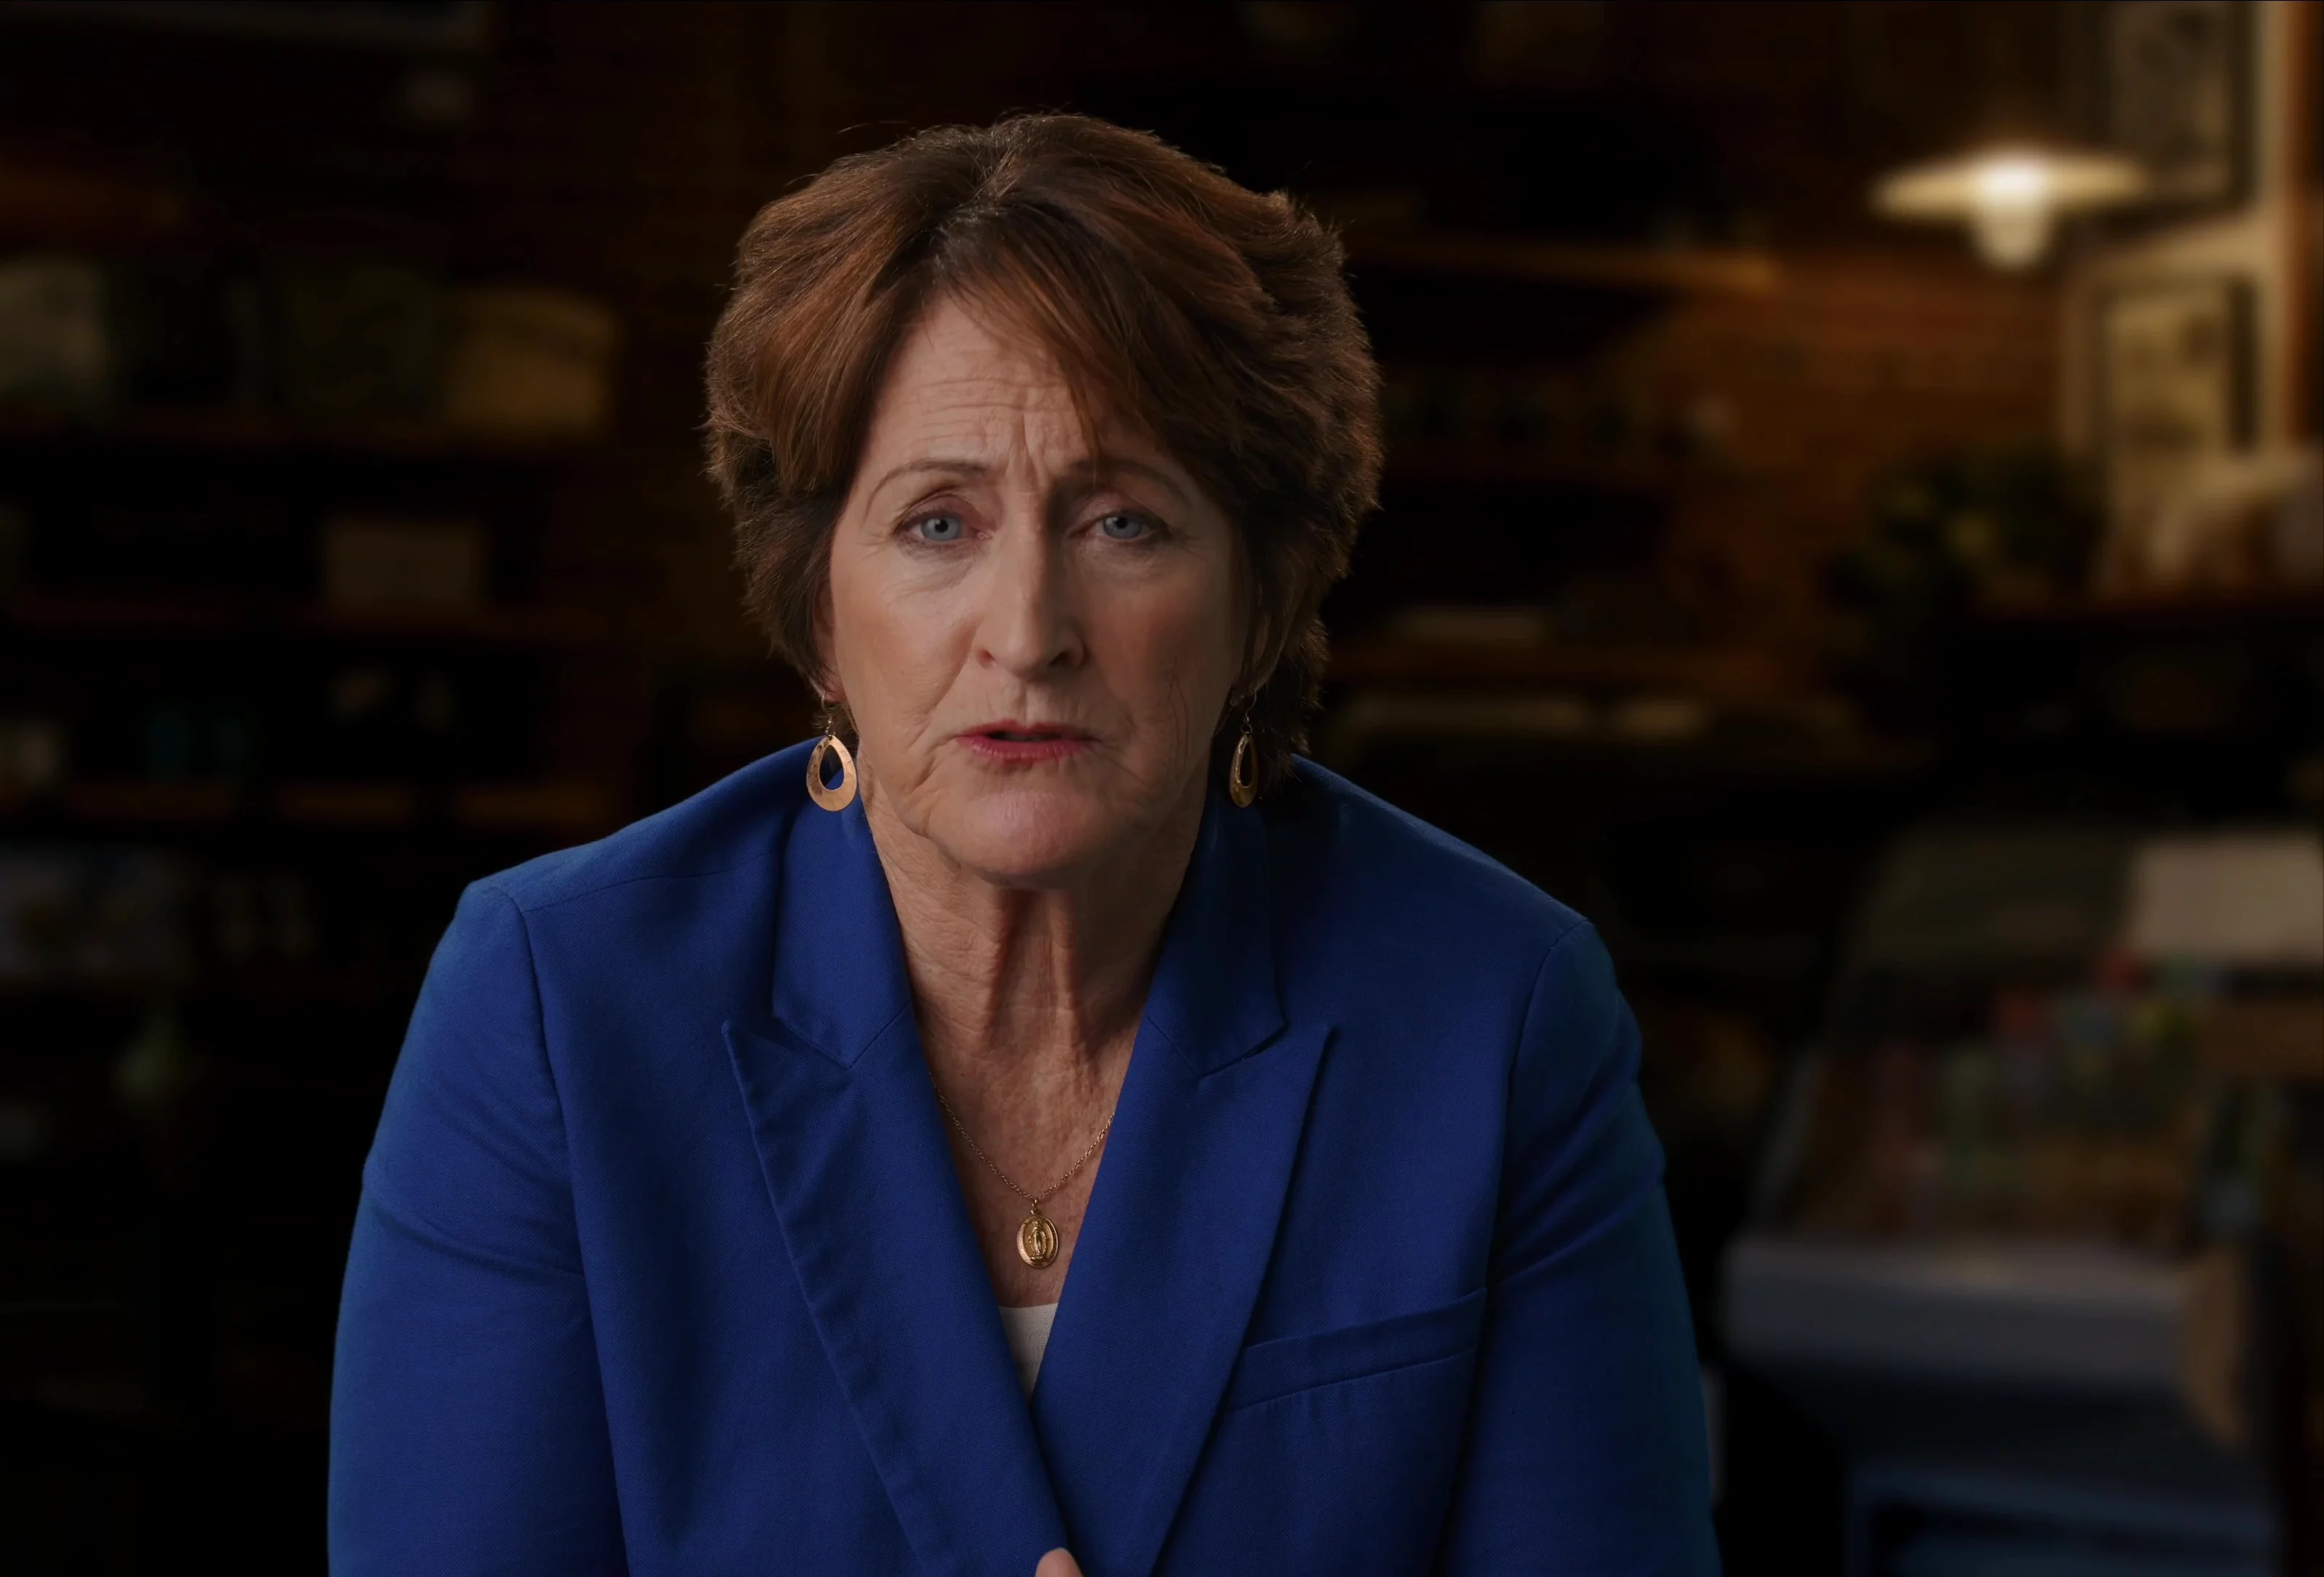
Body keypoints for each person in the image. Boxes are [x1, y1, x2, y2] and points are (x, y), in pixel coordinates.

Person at [330, 113, 1717, 1576]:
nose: (1029, 633)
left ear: (1261, 603)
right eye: (938, 524)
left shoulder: (1497, 1011)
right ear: (818, 615)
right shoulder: (555, 1001)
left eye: (1123, 523)